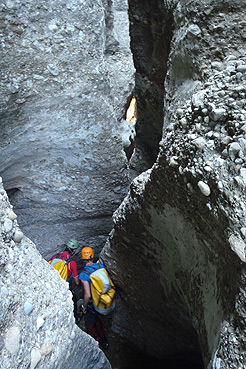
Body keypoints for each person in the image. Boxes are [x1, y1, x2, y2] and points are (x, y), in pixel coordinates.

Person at [79, 247, 109, 349]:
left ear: (82, 258)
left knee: (91, 321)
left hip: (93, 303)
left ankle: (95, 341)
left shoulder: (84, 275)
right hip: (103, 298)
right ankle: (104, 340)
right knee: (98, 319)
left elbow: (87, 295)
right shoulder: (101, 266)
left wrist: (84, 306)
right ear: (92, 255)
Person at [49, 238, 80, 321]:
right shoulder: (71, 263)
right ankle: (75, 319)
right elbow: (77, 282)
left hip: (51, 285)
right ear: (73, 250)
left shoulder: (55, 257)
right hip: (62, 289)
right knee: (74, 300)